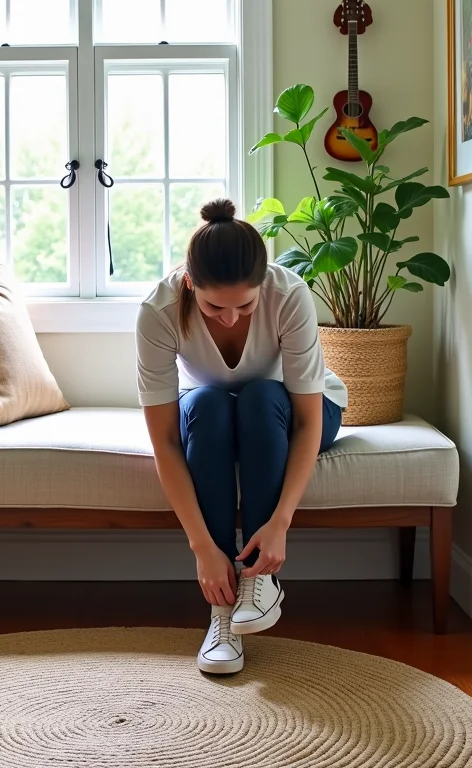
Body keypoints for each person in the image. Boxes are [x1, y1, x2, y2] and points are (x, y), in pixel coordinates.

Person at [135, 199, 347, 674]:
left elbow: (309, 421)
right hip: (217, 412)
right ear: (190, 284)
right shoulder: (160, 310)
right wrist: (203, 549)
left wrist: (280, 523)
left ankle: (260, 581)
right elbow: (166, 440)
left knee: (257, 397)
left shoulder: (288, 294)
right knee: (207, 404)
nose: (230, 319)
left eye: (245, 305)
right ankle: (223, 611)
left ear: (263, 285)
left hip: (298, 411)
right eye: (214, 306)